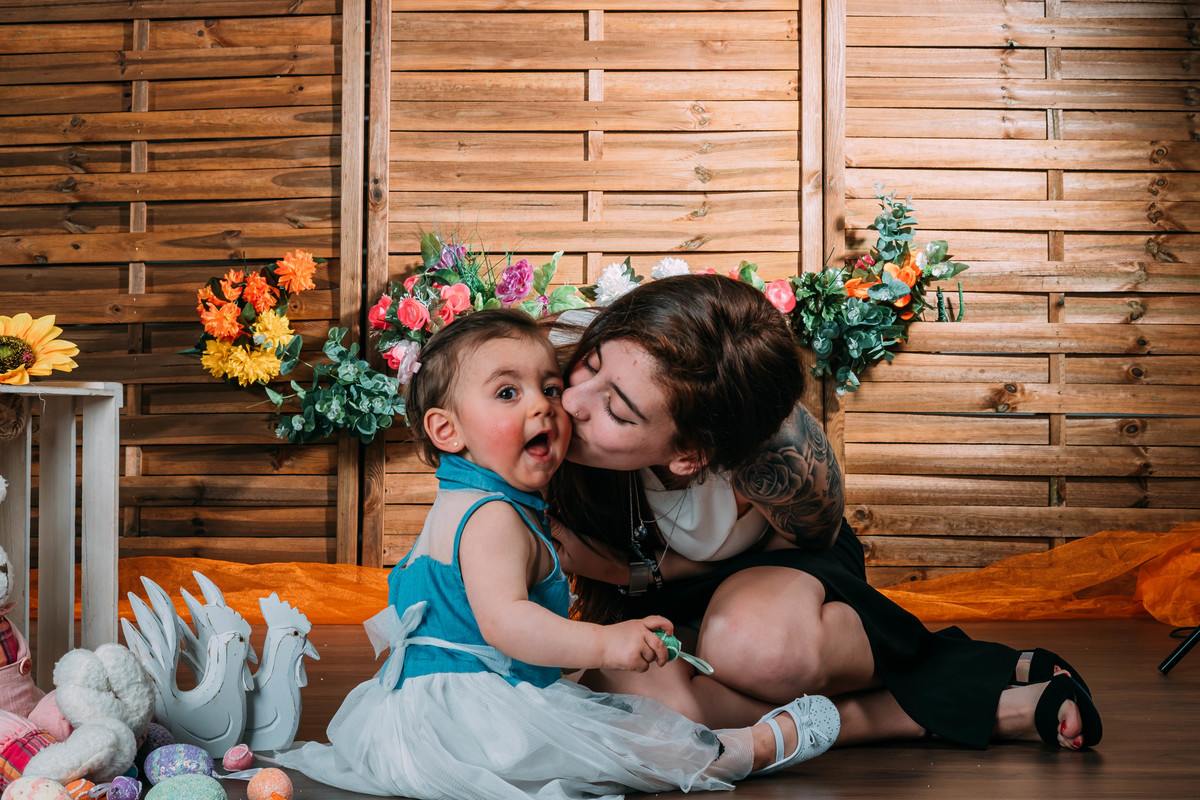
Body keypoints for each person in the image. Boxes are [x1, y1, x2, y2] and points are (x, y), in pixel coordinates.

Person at [277, 308, 841, 799]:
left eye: (549, 387)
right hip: (469, 719)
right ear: (447, 431)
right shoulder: (493, 517)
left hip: (421, 714)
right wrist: (607, 643)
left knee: (609, 720)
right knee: (624, 749)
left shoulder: (465, 500)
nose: (547, 407)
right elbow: (506, 623)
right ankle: (750, 748)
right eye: (507, 393)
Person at [546, 273, 1102, 753]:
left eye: (616, 410)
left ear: (692, 455)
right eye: (590, 365)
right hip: (654, 591)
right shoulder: (541, 367)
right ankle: (923, 708)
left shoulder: (775, 455)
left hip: (772, 568)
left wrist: (653, 576)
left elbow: (812, 543)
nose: (572, 401)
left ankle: (939, 680)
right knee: (631, 693)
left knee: (753, 648)